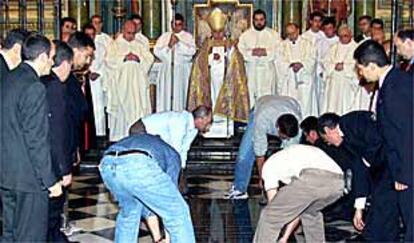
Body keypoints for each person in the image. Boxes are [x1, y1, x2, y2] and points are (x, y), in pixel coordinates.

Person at [1, 33, 63, 242]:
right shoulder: (34, 86)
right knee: (30, 237)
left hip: (6, 174)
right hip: (29, 179)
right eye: (52, 57)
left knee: (9, 234)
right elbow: (36, 139)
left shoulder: (9, 77)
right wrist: (50, 181)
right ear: (43, 57)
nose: (53, 63)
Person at [354, 40, 413, 241]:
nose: (360, 74)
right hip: (399, 166)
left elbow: (406, 133)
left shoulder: (395, 87)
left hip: (407, 171)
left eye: (360, 69)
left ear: (372, 65)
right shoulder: (393, 81)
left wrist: (404, 175)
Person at [318, 111, 400, 241]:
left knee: (385, 208)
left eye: (325, 139)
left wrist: (367, 161)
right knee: (382, 208)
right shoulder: (347, 144)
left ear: (328, 130)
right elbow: (359, 170)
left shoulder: (354, 121)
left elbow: (380, 138)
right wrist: (358, 209)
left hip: (396, 164)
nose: (328, 143)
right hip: (383, 172)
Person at [99, 133, 196, 243]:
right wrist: (168, 239)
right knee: (178, 212)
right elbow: (169, 209)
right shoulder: (173, 155)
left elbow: (149, 209)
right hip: (139, 162)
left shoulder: (143, 141)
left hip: (107, 163)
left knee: (130, 213)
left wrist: (158, 239)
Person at [253, 144, 344, 242]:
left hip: (313, 176)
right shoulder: (291, 157)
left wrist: (282, 234)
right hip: (338, 183)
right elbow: (296, 210)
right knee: (310, 213)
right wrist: (284, 238)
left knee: (269, 216)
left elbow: (274, 207)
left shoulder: (269, 166)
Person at [188, 8, 250, 137]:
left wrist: (229, 53)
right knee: (212, 100)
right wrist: (210, 58)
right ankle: (208, 126)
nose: (217, 35)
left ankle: (226, 128)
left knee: (224, 101)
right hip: (210, 81)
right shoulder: (207, 45)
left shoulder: (230, 44)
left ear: (224, 31)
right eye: (215, 32)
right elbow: (200, 64)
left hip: (225, 80)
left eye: (220, 32)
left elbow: (237, 63)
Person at [225, 95, 302, 199]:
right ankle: (239, 189)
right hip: (261, 107)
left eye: (289, 138)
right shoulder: (262, 119)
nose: (287, 140)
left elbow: (290, 156)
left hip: (290, 105)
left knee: (291, 155)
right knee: (244, 155)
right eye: (284, 137)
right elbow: (260, 153)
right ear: (277, 129)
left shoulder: (297, 124)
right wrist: (263, 179)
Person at [41, 40, 75, 242]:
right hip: (52, 162)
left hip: (42, 159)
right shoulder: (55, 86)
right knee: (50, 218)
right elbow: (57, 132)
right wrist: (64, 169)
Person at [105, 20, 154, 142]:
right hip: (121, 85)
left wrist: (138, 59)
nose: (131, 36)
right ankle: (119, 136)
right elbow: (109, 60)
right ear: (123, 30)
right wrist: (124, 58)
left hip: (137, 87)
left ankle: (138, 135)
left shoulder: (139, 45)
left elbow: (149, 59)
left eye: (133, 33)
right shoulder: (114, 45)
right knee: (122, 113)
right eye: (128, 33)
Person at [129, 105, 213, 168]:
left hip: (155, 138)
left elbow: (184, 149)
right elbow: (175, 148)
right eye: (208, 122)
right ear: (200, 119)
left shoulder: (194, 130)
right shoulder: (181, 120)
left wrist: (182, 168)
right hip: (140, 129)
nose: (209, 127)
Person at [322, 25, 370, 114]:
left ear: (350, 35)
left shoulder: (356, 48)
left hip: (348, 84)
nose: (343, 38)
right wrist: (333, 66)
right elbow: (325, 62)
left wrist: (344, 67)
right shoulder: (333, 48)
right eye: (340, 36)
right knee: (333, 106)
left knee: (346, 107)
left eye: (345, 36)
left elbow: (358, 64)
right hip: (334, 84)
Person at [238, 9, 281, 107]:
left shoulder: (273, 35)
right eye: (256, 20)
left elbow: (279, 50)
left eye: (261, 19)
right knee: (251, 95)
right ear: (253, 20)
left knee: (267, 97)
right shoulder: (245, 35)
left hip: (267, 71)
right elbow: (240, 51)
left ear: (265, 20)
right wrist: (252, 52)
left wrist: (266, 52)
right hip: (251, 70)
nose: (259, 22)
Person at [154, 13, 196, 112]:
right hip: (167, 71)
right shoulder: (164, 36)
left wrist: (179, 43)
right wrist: (169, 46)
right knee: (167, 95)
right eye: (175, 24)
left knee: (179, 96)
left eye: (179, 24)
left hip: (181, 71)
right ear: (171, 24)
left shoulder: (188, 37)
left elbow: (191, 51)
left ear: (183, 25)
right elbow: (157, 51)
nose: (177, 27)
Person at [277, 23, 318, 117]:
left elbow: (312, 59)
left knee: (305, 105)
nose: (291, 36)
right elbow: (279, 61)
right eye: (288, 34)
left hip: (304, 81)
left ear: (298, 31)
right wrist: (290, 65)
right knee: (290, 105)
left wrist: (302, 64)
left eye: (293, 33)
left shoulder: (308, 44)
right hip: (289, 82)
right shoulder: (282, 46)